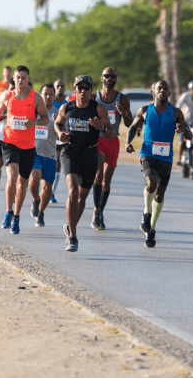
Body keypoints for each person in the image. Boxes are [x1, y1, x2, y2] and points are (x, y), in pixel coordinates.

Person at [125, 80, 191, 248]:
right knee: (152, 183)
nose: (162, 91)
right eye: (159, 88)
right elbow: (133, 127)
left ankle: (151, 230)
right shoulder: (145, 110)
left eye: (165, 89)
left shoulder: (176, 112)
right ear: (153, 92)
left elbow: (188, 134)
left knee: (160, 196)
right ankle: (146, 213)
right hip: (148, 154)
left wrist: (184, 130)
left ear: (169, 94)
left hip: (166, 158)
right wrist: (127, 142)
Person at [54, 75, 113, 252]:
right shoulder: (67, 107)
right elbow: (58, 124)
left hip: (90, 154)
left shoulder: (99, 109)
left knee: (82, 197)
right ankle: (72, 236)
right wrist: (60, 133)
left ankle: (69, 226)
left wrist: (101, 127)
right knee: (72, 191)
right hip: (70, 151)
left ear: (91, 90)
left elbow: (111, 134)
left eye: (87, 88)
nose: (83, 91)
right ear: (74, 89)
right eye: (80, 87)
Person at [0, 66, 49, 235]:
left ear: (28, 78)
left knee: (22, 183)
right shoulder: (7, 95)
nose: (20, 80)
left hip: (28, 147)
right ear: (13, 79)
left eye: (23, 77)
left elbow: (45, 118)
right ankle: (8, 212)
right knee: (12, 176)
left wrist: (33, 122)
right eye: (17, 77)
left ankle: (17, 216)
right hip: (10, 142)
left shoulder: (35, 97)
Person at [91, 67, 133, 230]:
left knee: (106, 181)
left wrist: (124, 114)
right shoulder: (94, 97)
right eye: (106, 76)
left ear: (116, 79)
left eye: (112, 76)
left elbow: (130, 124)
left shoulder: (122, 99)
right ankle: (96, 211)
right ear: (101, 78)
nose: (109, 78)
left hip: (113, 140)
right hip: (98, 140)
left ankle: (101, 211)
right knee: (98, 175)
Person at [28, 84, 59, 228]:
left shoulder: (58, 113)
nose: (47, 96)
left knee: (47, 188)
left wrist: (59, 123)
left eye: (50, 94)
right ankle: (35, 199)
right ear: (40, 95)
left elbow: (62, 132)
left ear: (54, 96)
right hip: (34, 153)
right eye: (45, 93)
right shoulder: (33, 111)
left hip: (50, 155)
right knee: (34, 177)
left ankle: (40, 212)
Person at [50, 78, 67, 204]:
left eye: (62, 86)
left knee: (57, 164)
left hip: (59, 140)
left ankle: (52, 193)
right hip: (47, 139)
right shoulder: (49, 103)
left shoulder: (67, 105)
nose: (60, 88)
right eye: (58, 86)